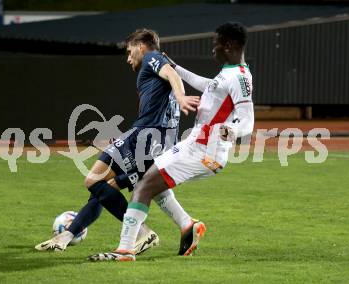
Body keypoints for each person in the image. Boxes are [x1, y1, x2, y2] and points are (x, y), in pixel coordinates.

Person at [88, 22, 254, 262]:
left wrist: (226, 132)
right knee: (152, 183)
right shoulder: (228, 73)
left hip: (204, 150)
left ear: (229, 45)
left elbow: (247, 122)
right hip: (195, 145)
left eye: (215, 43)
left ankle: (124, 250)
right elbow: (208, 86)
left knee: (145, 185)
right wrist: (177, 67)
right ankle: (188, 225)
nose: (213, 49)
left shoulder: (240, 78)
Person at [35, 28, 204, 256]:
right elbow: (171, 76)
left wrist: (182, 96)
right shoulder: (160, 63)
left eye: (129, 51)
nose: (128, 58)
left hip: (144, 136)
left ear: (141, 46)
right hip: (158, 141)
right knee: (113, 188)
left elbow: (173, 76)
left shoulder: (153, 57)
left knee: (94, 181)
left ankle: (141, 234)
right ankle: (184, 224)